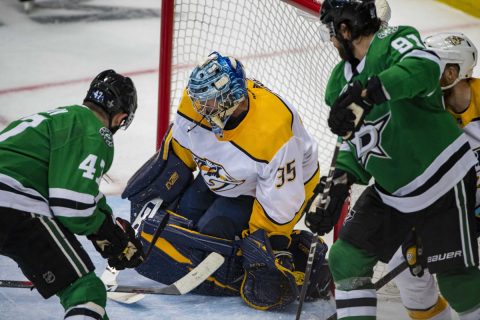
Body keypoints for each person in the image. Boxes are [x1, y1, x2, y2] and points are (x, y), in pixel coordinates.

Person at [305, 1, 480, 319]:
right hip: (393, 193)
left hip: (443, 177)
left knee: (458, 284)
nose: (330, 41)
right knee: (346, 258)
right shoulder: (336, 84)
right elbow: (356, 141)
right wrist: (339, 184)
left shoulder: (394, 41)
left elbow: (424, 68)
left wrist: (370, 92)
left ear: (344, 30)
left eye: (329, 32)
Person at [121, 51, 330, 310]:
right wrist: (165, 180)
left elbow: (282, 199)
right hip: (224, 175)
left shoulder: (273, 131)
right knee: (182, 225)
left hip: (271, 190)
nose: (201, 109)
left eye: (209, 102)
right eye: (200, 101)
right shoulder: (193, 104)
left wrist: (270, 245)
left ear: (233, 97)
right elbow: (183, 149)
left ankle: (300, 256)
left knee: (213, 242)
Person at [0, 70, 145, 320]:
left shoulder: (59, 117)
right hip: (13, 204)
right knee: (86, 291)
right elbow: (72, 207)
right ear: (120, 117)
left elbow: (77, 188)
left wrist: (107, 224)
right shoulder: (95, 132)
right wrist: (106, 234)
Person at [386, 32, 480, 320]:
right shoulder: (419, 109)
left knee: (462, 277)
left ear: (455, 72)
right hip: (447, 203)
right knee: (397, 257)